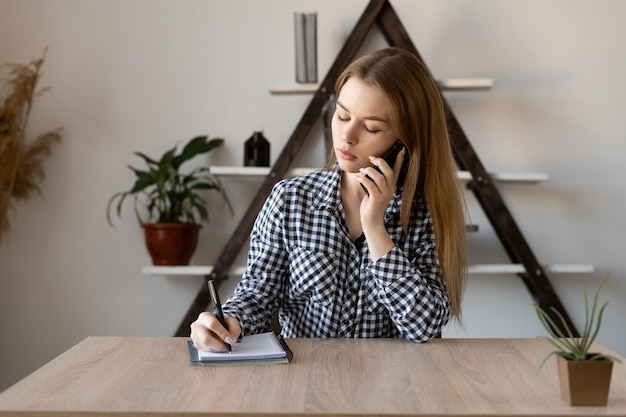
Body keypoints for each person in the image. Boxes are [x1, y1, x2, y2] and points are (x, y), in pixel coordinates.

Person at [190, 47, 467, 352]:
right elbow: (256, 297)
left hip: (392, 392)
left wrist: (375, 227)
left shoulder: (423, 214)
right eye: (342, 115)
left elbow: (424, 326)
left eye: (371, 127)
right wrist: (226, 323)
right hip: (305, 386)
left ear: (404, 144)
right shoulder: (290, 200)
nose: (347, 136)